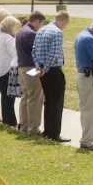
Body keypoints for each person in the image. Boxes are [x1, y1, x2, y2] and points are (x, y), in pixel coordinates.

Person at [34, 12, 71, 142]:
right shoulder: (57, 32)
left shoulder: (41, 30)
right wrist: (46, 68)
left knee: (48, 101)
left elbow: (34, 50)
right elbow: (53, 52)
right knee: (56, 103)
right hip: (53, 70)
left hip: (42, 71)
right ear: (64, 21)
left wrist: (39, 66)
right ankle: (54, 133)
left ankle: (47, 130)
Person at [72, 19, 93, 149]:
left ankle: (87, 139)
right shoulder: (90, 39)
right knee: (91, 110)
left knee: (86, 109)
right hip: (89, 76)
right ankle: (87, 141)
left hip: (83, 75)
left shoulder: (80, 35)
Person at [15, 12, 45, 134]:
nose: (40, 26)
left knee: (26, 96)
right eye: (41, 23)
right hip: (31, 68)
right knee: (35, 96)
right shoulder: (30, 34)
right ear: (37, 21)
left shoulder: (21, 31)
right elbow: (37, 52)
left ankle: (24, 125)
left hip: (22, 67)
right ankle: (33, 127)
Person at [0, 16, 20, 127]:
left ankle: (7, 118)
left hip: (1, 67)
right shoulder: (8, 38)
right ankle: (9, 119)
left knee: (5, 95)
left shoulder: (1, 36)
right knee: (9, 96)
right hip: (7, 68)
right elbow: (13, 53)